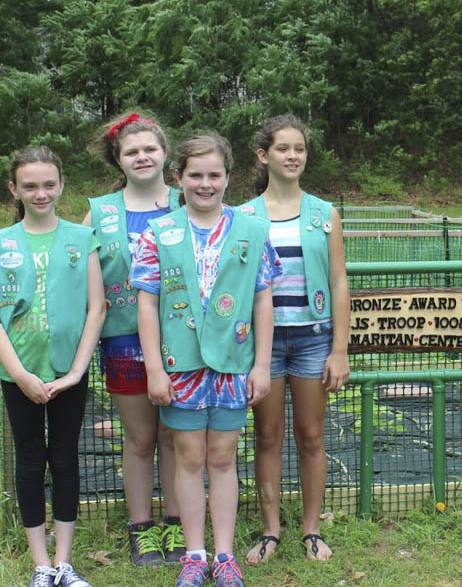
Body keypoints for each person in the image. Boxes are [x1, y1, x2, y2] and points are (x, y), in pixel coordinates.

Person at [133, 134, 279, 587]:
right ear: (178, 178)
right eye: (195, 175)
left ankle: (225, 554)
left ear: (228, 178)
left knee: (222, 456)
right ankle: (194, 555)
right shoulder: (158, 234)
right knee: (189, 457)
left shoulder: (252, 230)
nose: (205, 183)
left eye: (214, 175)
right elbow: (148, 304)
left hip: (235, 364)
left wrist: (261, 365)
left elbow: (262, 301)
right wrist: (155, 368)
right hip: (181, 367)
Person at [0, 147, 105, 587]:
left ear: (62, 185)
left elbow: (97, 308)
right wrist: (19, 373)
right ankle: (41, 565)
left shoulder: (81, 239)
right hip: (21, 374)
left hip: (70, 372)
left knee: (66, 459)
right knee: (30, 462)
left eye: (48, 184)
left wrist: (75, 371)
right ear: (14, 189)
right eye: (29, 185)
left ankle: (66, 562)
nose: (40, 192)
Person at [241, 115, 350, 564]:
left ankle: (311, 529)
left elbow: (340, 281)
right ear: (264, 156)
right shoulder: (243, 216)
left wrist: (340, 349)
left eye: (299, 149)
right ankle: (270, 531)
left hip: (312, 339)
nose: (293, 156)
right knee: (266, 436)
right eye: (283, 149)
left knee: (310, 436)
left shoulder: (325, 214)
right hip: (262, 346)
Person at [83, 112, 184, 565]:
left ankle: (179, 523)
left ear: (164, 153)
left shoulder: (190, 200)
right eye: (132, 151)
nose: (142, 157)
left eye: (150, 149)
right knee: (140, 438)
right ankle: (142, 527)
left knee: (177, 438)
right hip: (123, 339)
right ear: (118, 159)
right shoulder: (99, 213)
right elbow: (79, 282)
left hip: (185, 340)